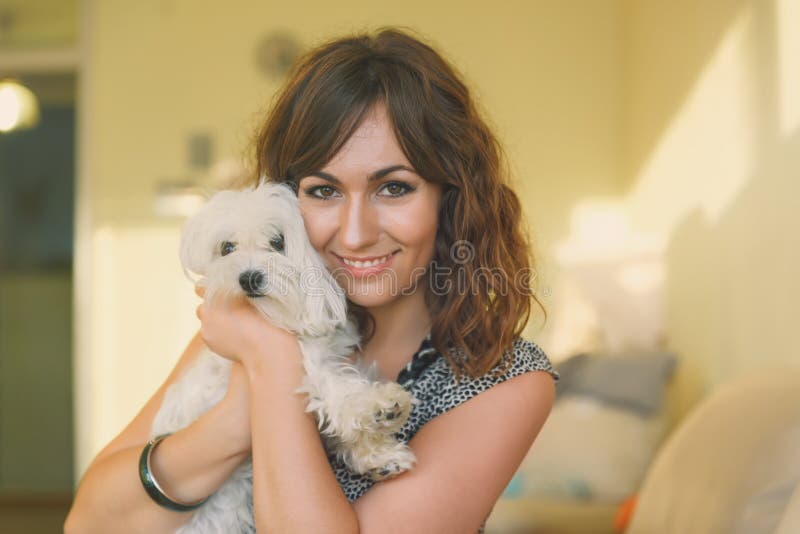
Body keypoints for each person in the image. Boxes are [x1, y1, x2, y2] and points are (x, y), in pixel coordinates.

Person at [65, 27, 559, 533]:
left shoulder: (504, 379)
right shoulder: (255, 321)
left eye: (394, 187)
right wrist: (230, 425)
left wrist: (274, 366)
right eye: (324, 191)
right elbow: (89, 523)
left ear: (449, 197)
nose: (356, 232)